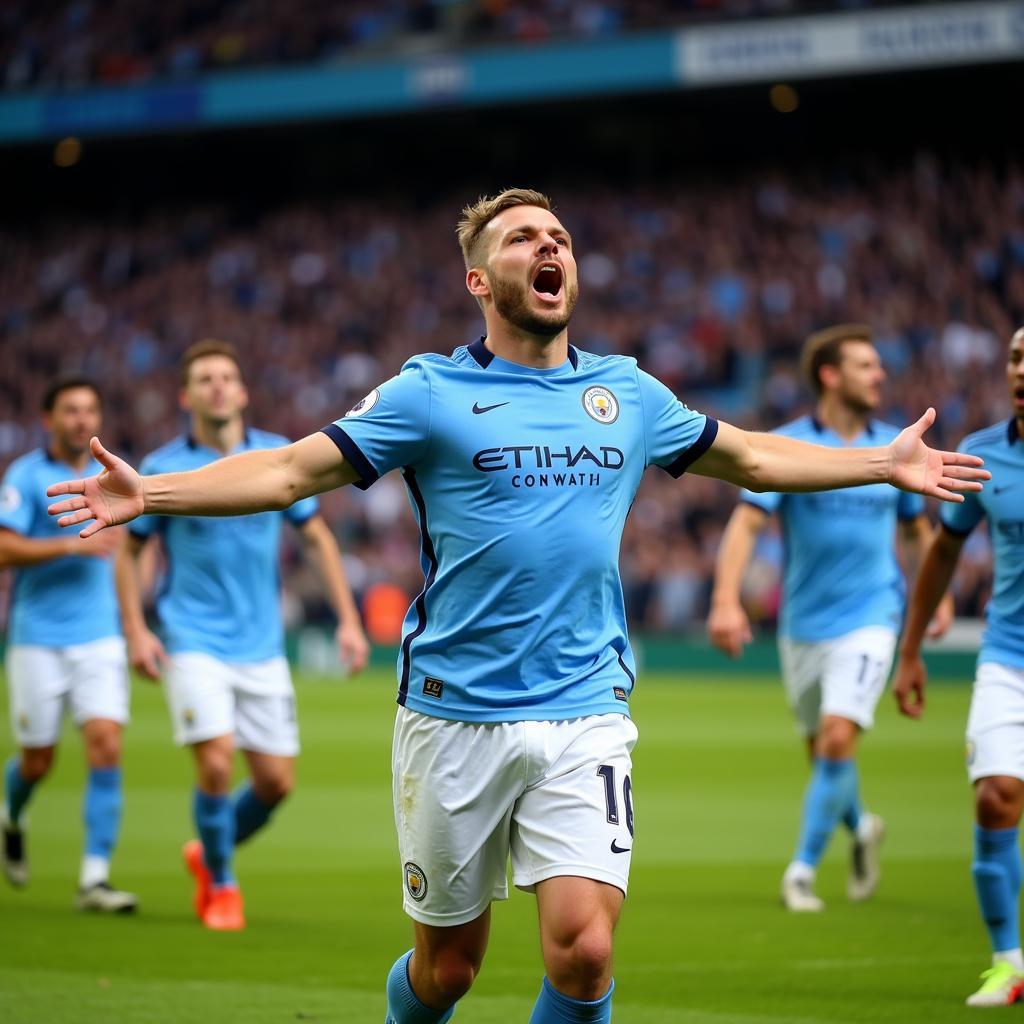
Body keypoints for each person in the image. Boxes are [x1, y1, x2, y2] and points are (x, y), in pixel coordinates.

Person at [46, 190, 986, 1023]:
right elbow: (292, 468)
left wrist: (879, 461)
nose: (550, 248)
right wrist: (155, 495)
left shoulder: (627, 392)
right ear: (478, 280)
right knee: (449, 969)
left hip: (586, 710)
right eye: (524, 238)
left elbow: (751, 456)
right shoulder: (430, 390)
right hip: (453, 715)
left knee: (585, 953)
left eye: (561, 237)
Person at [114, 339, 369, 932]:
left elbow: (315, 539)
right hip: (192, 638)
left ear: (243, 390)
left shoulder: (276, 457)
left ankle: (208, 851)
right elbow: (129, 552)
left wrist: (350, 621)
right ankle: (223, 885)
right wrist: (135, 629)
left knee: (276, 783)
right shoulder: (160, 470)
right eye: (204, 379)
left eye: (227, 376)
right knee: (216, 764)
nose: (217, 386)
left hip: (261, 644)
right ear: (186, 395)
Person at [707, 324, 954, 912]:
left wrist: (935, 595)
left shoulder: (895, 449)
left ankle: (801, 871)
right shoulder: (787, 445)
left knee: (840, 738)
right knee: (826, 754)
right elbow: (746, 523)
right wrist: (724, 600)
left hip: (874, 614)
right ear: (829, 375)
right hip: (803, 624)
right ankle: (862, 826)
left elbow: (916, 530)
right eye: (866, 366)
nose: (880, 375)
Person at [893, 326, 1024, 1007]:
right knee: (994, 797)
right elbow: (943, 552)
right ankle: (1008, 962)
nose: (1021, 370)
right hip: (1009, 655)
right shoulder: (981, 456)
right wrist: (911, 649)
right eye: (1015, 357)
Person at [0, 378, 137, 912]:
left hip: (99, 637)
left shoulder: (114, 477)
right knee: (37, 761)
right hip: (38, 638)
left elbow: (123, 555)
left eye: (90, 410)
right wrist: (67, 546)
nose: (82, 420)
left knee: (106, 744)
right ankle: (13, 813)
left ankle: (94, 880)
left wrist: (133, 623)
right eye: (71, 410)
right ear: (48, 418)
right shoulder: (25, 476)